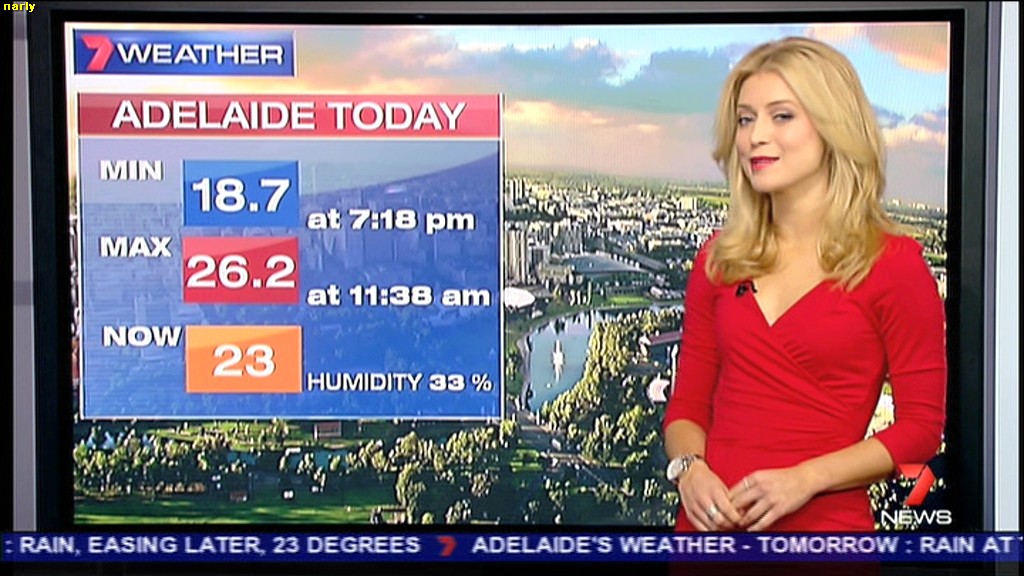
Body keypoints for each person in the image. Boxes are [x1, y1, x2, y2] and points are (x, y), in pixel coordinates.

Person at [663, 36, 947, 533]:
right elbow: (687, 407)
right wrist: (689, 470)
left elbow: (921, 430)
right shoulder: (719, 259)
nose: (755, 136)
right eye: (745, 119)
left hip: (822, 540)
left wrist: (806, 479)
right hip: (708, 535)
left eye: (782, 116)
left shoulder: (893, 266)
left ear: (833, 127)